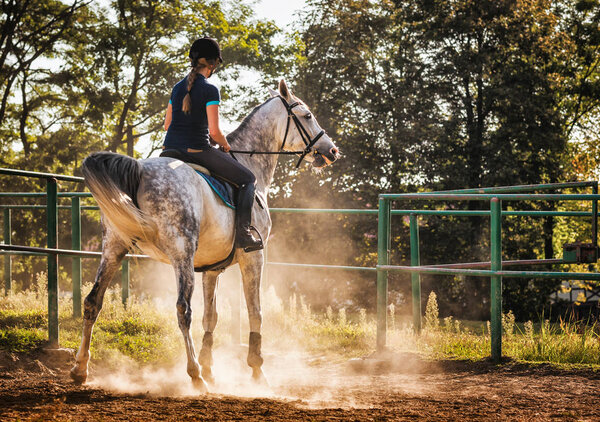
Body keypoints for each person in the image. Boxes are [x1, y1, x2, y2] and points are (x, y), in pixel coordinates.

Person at [161, 37, 263, 252]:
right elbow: (215, 132)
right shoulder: (210, 90)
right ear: (213, 64)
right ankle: (244, 235)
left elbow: (166, 125)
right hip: (196, 151)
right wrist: (225, 146)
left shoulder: (177, 88)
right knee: (248, 179)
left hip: (169, 150)